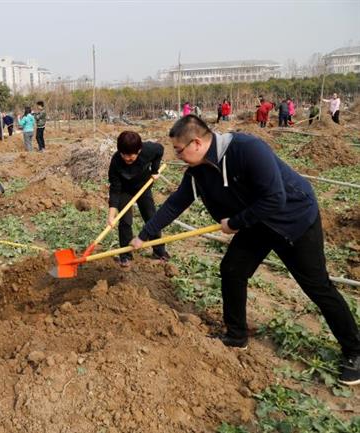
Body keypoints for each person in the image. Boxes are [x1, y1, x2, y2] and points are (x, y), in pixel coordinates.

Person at [130, 115, 360, 386]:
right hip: (256, 224)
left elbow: (276, 198)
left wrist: (235, 223)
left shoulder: (248, 149)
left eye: (179, 150)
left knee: (317, 287)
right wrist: (144, 236)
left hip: (293, 220)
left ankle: (355, 351)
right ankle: (236, 336)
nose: (177, 156)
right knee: (232, 269)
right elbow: (174, 204)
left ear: (196, 142)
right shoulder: (198, 172)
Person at [108, 131, 168, 268]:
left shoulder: (148, 150)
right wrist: (111, 215)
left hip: (143, 186)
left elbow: (160, 150)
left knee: (151, 217)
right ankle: (125, 255)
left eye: (131, 156)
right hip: (125, 190)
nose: (127, 158)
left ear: (139, 150)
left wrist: (155, 171)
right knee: (125, 221)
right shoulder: (116, 162)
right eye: (124, 155)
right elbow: (115, 189)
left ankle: (160, 252)